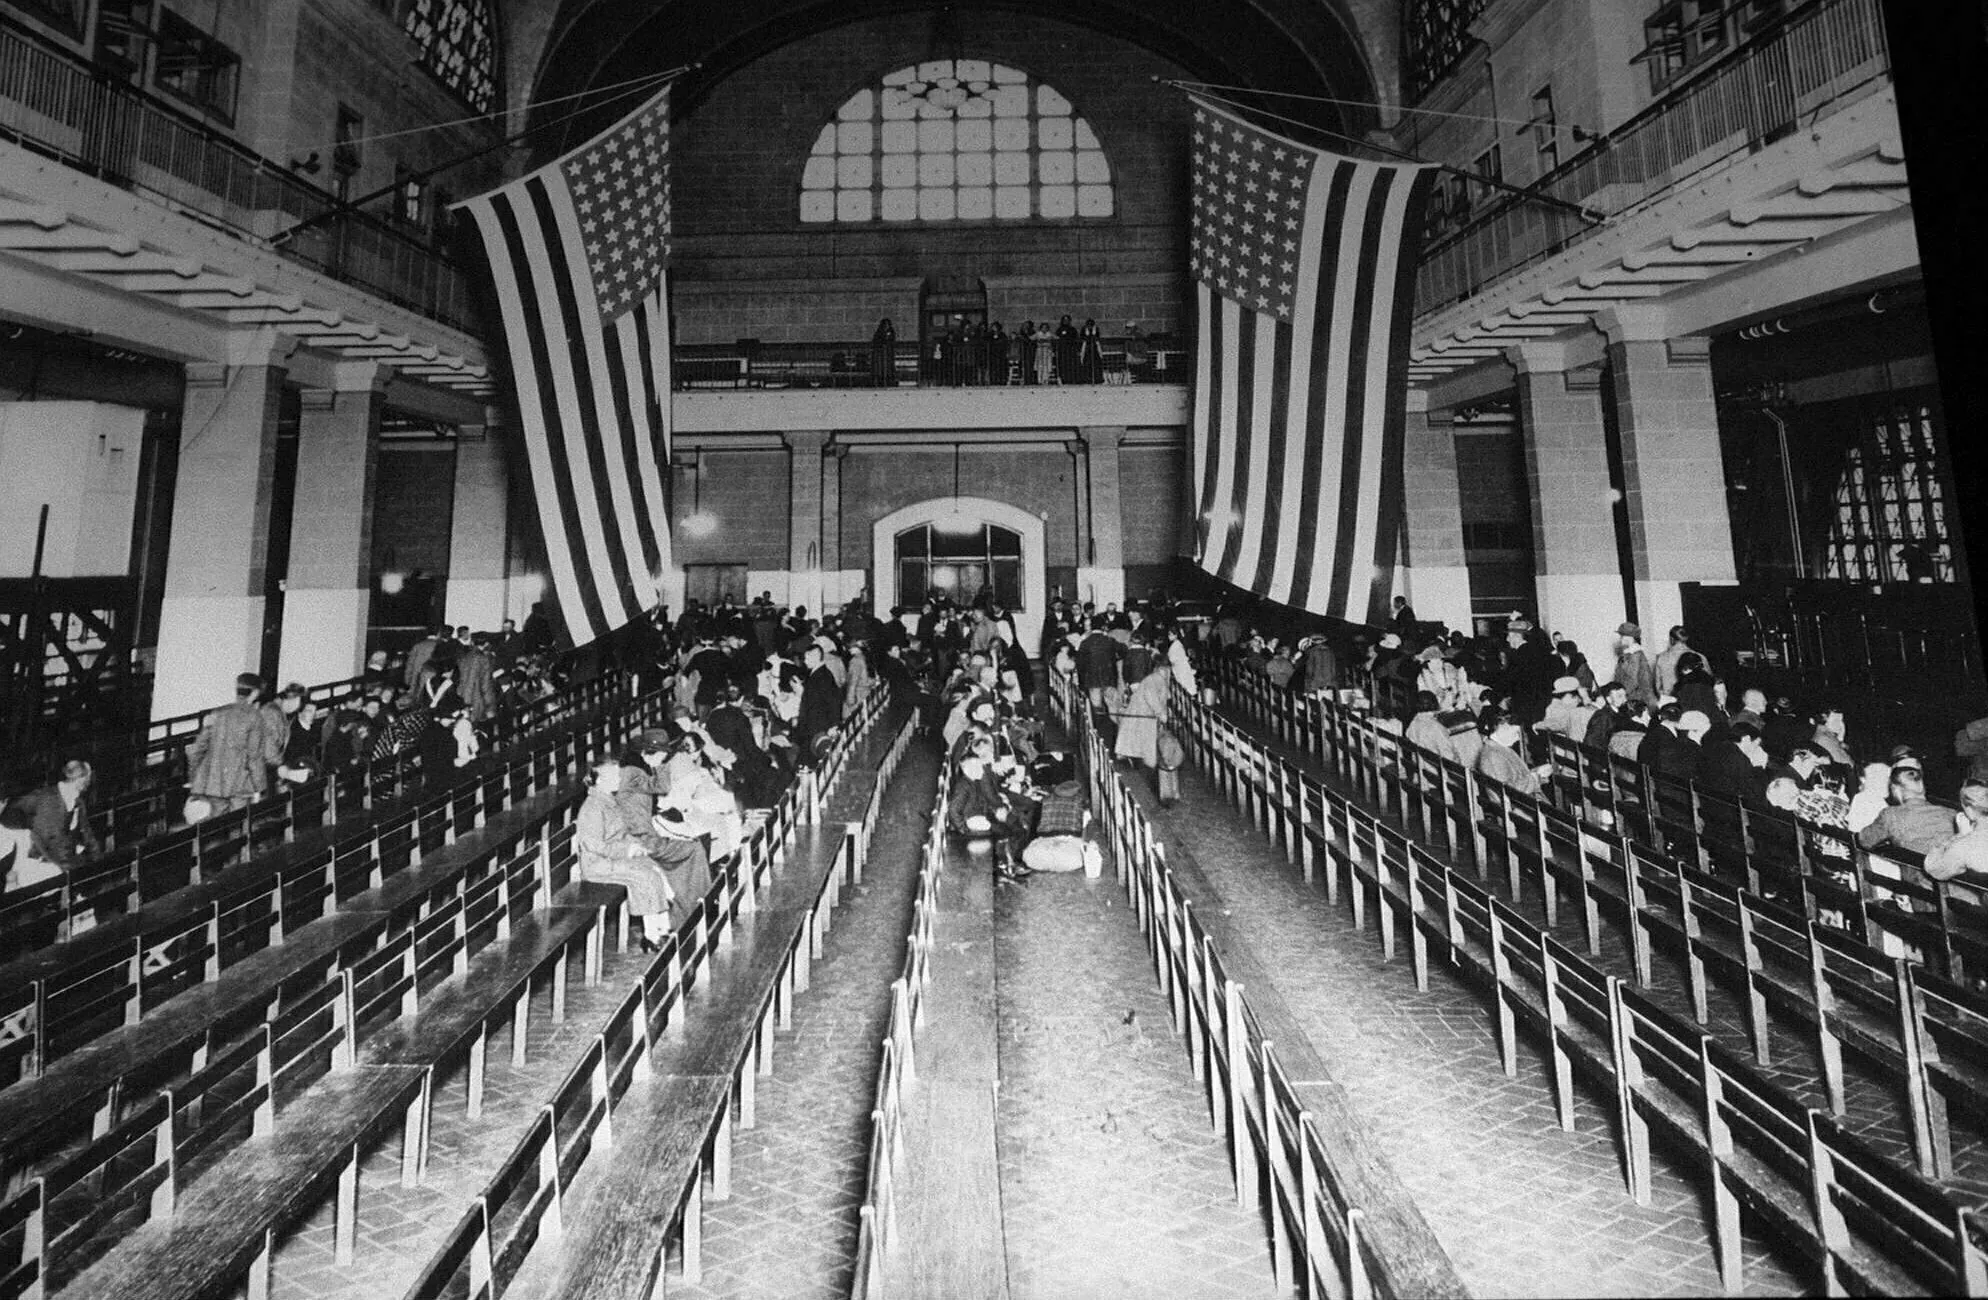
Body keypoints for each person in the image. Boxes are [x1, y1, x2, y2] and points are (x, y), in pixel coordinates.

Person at [576, 759, 675, 950]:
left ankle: (663, 928)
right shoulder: (592, 807)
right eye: (614, 776)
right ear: (599, 780)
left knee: (652, 866)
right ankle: (652, 936)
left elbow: (622, 833)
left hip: (612, 857)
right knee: (644, 875)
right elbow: (594, 845)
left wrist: (636, 845)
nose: (619, 779)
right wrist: (627, 850)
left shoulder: (608, 801)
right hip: (597, 864)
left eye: (618, 775)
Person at [187, 673, 286, 812]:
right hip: (241, 785)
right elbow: (255, 757)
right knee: (238, 826)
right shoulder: (254, 716)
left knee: (216, 827)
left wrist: (194, 779)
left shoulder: (217, 713)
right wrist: (260, 787)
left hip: (214, 784)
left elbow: (196, 750)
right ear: (255, 693)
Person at [1, 759, 99, 892]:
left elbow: (86, 832)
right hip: (19, 836)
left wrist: (97, 859)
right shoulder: (50, 800)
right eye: (86, 779)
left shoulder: (77, 801)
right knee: (50, 874)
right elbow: (49, 838)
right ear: (79, 779)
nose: (88, 782)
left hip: (41, 840)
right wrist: (67, 866)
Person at [1473, 706, 1553, 797]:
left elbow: (1516, 778)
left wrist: (1538, 773)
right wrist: (1536, 776)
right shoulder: (1492, 756)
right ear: (1499, 728)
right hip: (1519, 808)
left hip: (1527, 801)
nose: (1518, 738)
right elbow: (1506, 791)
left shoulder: (1501, 748)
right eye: (1516, 733)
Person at [1024, 778, 1093, 874]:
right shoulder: (1080, 802)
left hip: (1045, 842)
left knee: (1030, 856)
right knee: (1076, 860)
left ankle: (1047, 861)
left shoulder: (1046, 800)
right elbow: (1085, 830)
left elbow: (1038, 827)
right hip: (1070, 845)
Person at [1612, 623, 1659, 708]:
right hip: (1635, 698)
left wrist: (1620, 696)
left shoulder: (1634, 655)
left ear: (1630, 638)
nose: (1620, 639)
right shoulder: (1629, 654)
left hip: (1637, 700)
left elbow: (1632, 680)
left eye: (1622, 636)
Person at [870, 317, 897, 386]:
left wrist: (888, 340)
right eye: (885, 325)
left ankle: (889, 380)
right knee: (880, 367)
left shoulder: (891, 331)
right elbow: (876, 341)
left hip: (888, 353)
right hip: (880, 354)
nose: (886, 326)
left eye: (887, 325)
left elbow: (892, 341)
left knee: (889, 367)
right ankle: (880, 380)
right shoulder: (879, 332)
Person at [1077, 317, 1105, 383]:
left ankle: (1097, 379)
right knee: (1086, 364)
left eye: (1091, 325)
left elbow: (1097, 339)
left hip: (1094, 349)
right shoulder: (1084, 329)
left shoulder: (1096, 329)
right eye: (1088, 325)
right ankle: (1086, 378)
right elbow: (1083, 339)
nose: (1089, 326)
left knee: (1096, 364)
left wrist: (1093, 334)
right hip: (1087, 349)